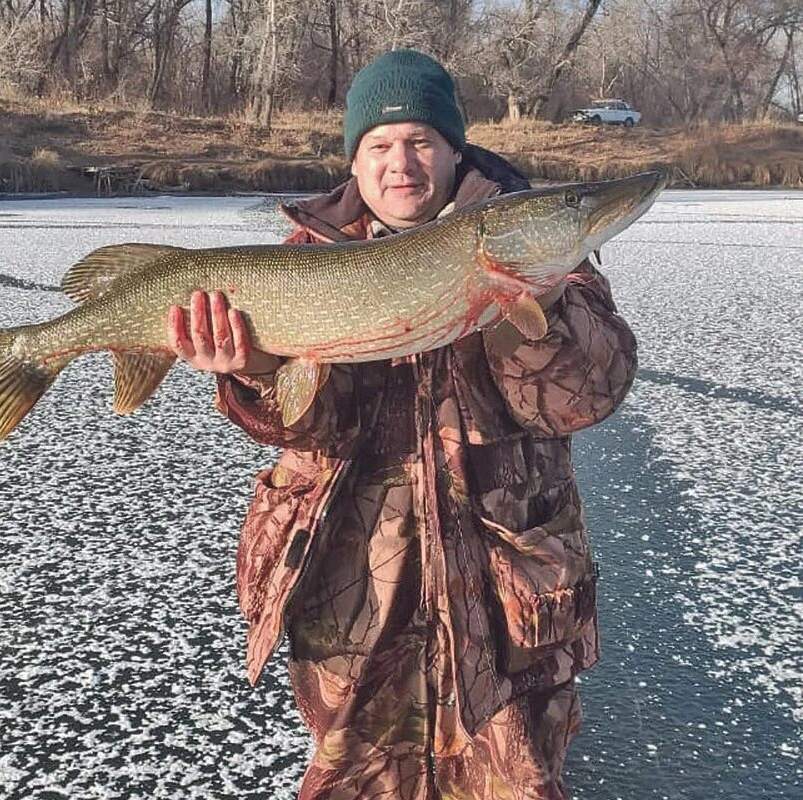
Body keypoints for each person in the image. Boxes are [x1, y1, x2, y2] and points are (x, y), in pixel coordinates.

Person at [167, 49, 637, 800]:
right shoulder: (300, 262)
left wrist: (536, 308)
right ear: (354, 161)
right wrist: (253, 368)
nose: (401, 164)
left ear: (454, 148)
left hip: (505, 612)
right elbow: (303, 427)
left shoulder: (547, 257)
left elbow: (586, 394)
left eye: (421, 141)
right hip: (355, 608)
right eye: (378, 146)